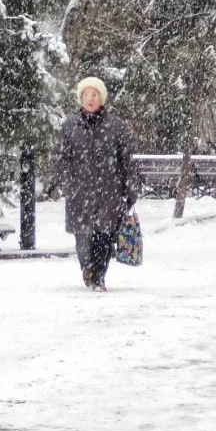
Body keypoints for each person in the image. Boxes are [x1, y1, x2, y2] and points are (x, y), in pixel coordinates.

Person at [51, 76, 136, 291]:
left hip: (109, 191)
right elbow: (60, 157)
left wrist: (131, 186)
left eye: (95, 94)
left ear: (102, 98)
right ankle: (87, 268)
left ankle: (98, 277)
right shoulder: (70, 126)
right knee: (83, 240)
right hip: (80, 192)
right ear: (81, 98)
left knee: (105, 238)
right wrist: (61, 181)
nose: (90, 98)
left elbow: (126, 158)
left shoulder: (115, 126)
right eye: (87, 94)